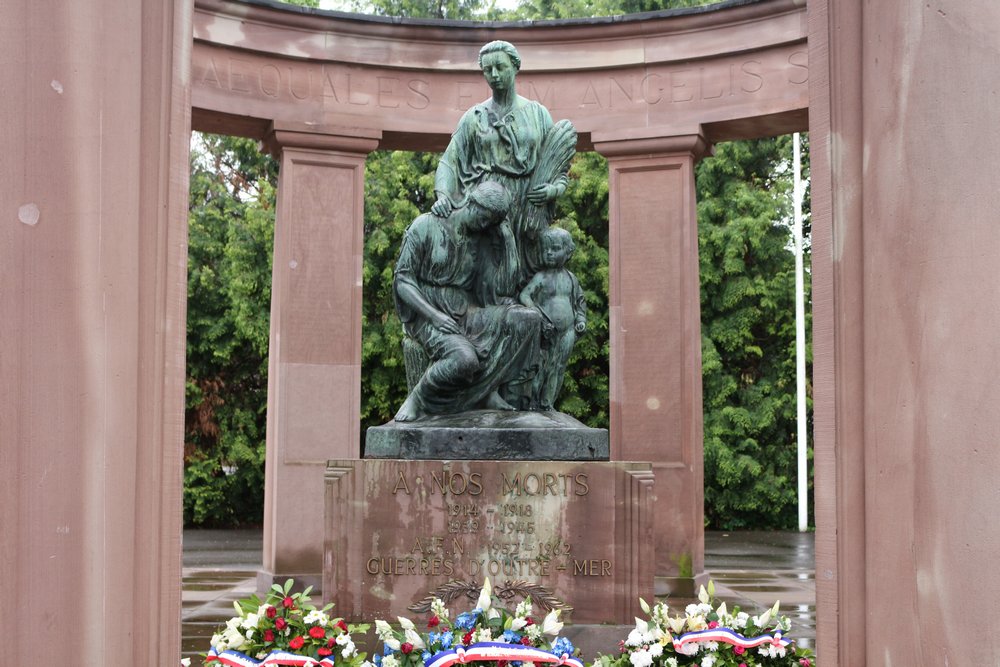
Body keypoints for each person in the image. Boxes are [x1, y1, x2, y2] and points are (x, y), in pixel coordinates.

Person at [431, 40, 576, 292]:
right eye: (488, 70)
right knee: (487, 280)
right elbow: (449, 161)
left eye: (500, 67)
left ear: (515, 67)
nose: (494, 75)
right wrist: (443, 195)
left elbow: (559, 171)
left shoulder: (538, 113)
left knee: (524, 278)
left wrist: (551, 192)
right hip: (486, 207)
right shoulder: (473, 117)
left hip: (527, 207)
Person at [393, 181, 542, 422]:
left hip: (466, 312)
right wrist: (434, 316)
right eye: (484, 217)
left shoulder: (479, 239)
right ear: (472, 203)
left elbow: (498, 289)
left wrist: (507, 240)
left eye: (491, 221)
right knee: (464, 360)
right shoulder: (426, 225)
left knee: (527, 320)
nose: (485, 225)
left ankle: (486, 390)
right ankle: (418, 397)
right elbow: (403, 281)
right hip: (428, 313)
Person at [518, 227, 587, 411]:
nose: (548, 253)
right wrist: (537, 316)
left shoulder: (571, 279)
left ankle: (548, 404)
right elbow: (525, 296)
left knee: (559, 367)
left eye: (554, 249)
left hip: (568, 330)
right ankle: (532, 404)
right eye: (545, 249)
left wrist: (581, 319)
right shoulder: (541, 277)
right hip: (546, 330)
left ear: (568, 252)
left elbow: (579, 302)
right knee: (540, 366)